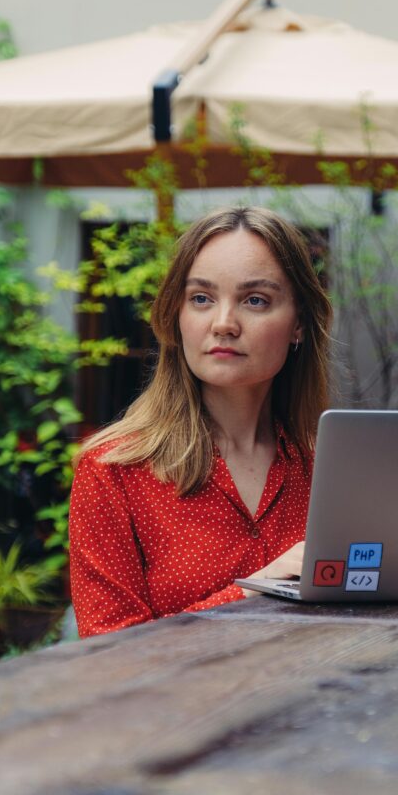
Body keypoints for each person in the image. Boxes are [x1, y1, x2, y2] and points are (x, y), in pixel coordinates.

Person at [69, 206, 333, 637]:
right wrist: (258, 590)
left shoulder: (327, 468)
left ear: (299, 323)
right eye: (202, 299)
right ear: (177, 316)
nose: (224, 324)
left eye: (255, 300)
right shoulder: (113, 471)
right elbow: (108, 657)